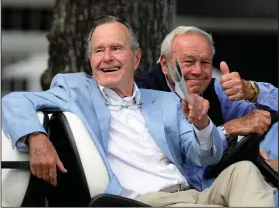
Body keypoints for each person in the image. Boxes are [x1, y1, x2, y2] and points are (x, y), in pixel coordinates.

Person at [2, 16, 275, 207]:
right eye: (99, 50)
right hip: (145, 202)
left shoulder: (165, 102)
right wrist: (36, 137)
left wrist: (203, 125)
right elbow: (13, 100)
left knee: (245, 172)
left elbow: (203, 155)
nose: (107, 57)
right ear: (91, 60)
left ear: (136, 58)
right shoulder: (76, 90)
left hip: (194, 193)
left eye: (116, 49)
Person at [136, 26, 278, 191]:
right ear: (165, 65)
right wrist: (228, 130)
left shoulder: (214, 90)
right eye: (188, 62)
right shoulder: (144, 98)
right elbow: (185, 160)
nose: (197, 71)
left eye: (205, 62)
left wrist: (252, 91)